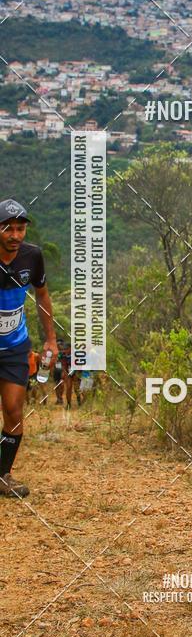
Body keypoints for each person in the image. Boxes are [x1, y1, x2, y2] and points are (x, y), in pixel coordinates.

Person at [0, 200, 58, 498]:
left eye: (20, 229)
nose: (15, 235)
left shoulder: (32, 256)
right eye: (8, 229)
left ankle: (3, 474)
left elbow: (42, 297)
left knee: (13, 410)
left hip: (13, 347)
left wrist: (50, 339)